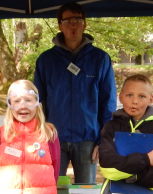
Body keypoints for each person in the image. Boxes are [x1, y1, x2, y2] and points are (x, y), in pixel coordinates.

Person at [33, 2, 116, 184]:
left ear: (84, 24)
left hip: (88, 139)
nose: (73, 25)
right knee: (52, 191)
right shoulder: (46, 60)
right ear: (59, 25)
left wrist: (104, 139)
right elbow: (37, 103)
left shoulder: (100, 59)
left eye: (77, 20)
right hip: (53, 138)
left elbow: (108, 102)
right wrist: (39, 134)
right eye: (68, 20)